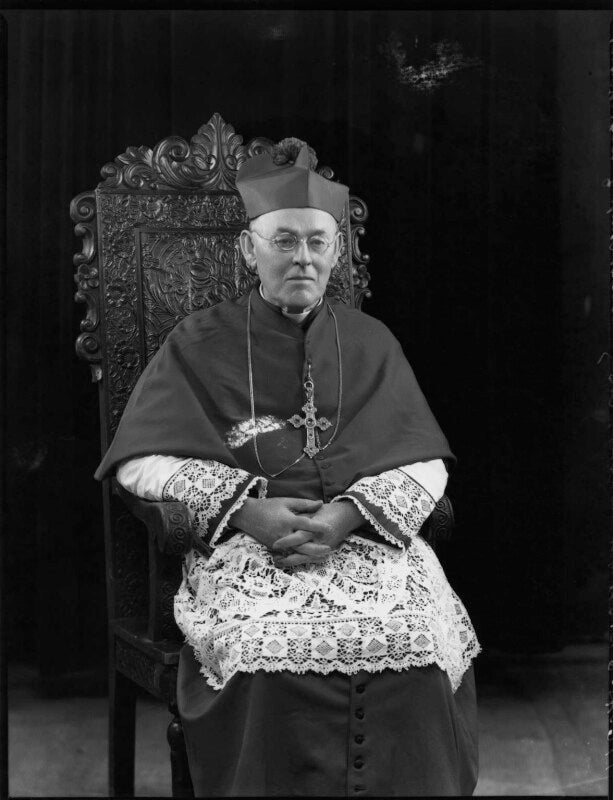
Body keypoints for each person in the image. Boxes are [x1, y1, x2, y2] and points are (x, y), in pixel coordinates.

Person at [95, 138, 481, 797]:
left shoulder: (371, 341)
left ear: (336, 251)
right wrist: (246, 511)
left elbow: (423, 460)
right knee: (259, 656)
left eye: (315, 242)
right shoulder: (196, 341)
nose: (302, 257)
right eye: (283, 241)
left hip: (364, 541)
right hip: (245, 545)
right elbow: (140, 459)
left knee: (420, 640)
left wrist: (347, 517)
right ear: (249, 250)